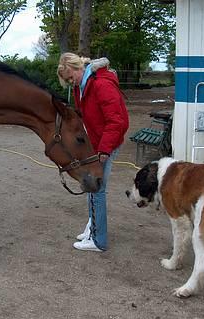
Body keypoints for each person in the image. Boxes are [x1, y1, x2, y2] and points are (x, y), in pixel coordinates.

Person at [57, 52, 129, 252]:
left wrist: (104, 149)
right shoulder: (82, 86)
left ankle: (98, 240)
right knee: (90, 185)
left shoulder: (100, 84)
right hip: (96, 144)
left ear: (79, 67)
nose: (71, 82)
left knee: (96, 188)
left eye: (72, 76)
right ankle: (93, 228)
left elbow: (116, 121)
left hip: (106, 143)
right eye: (68, 80)